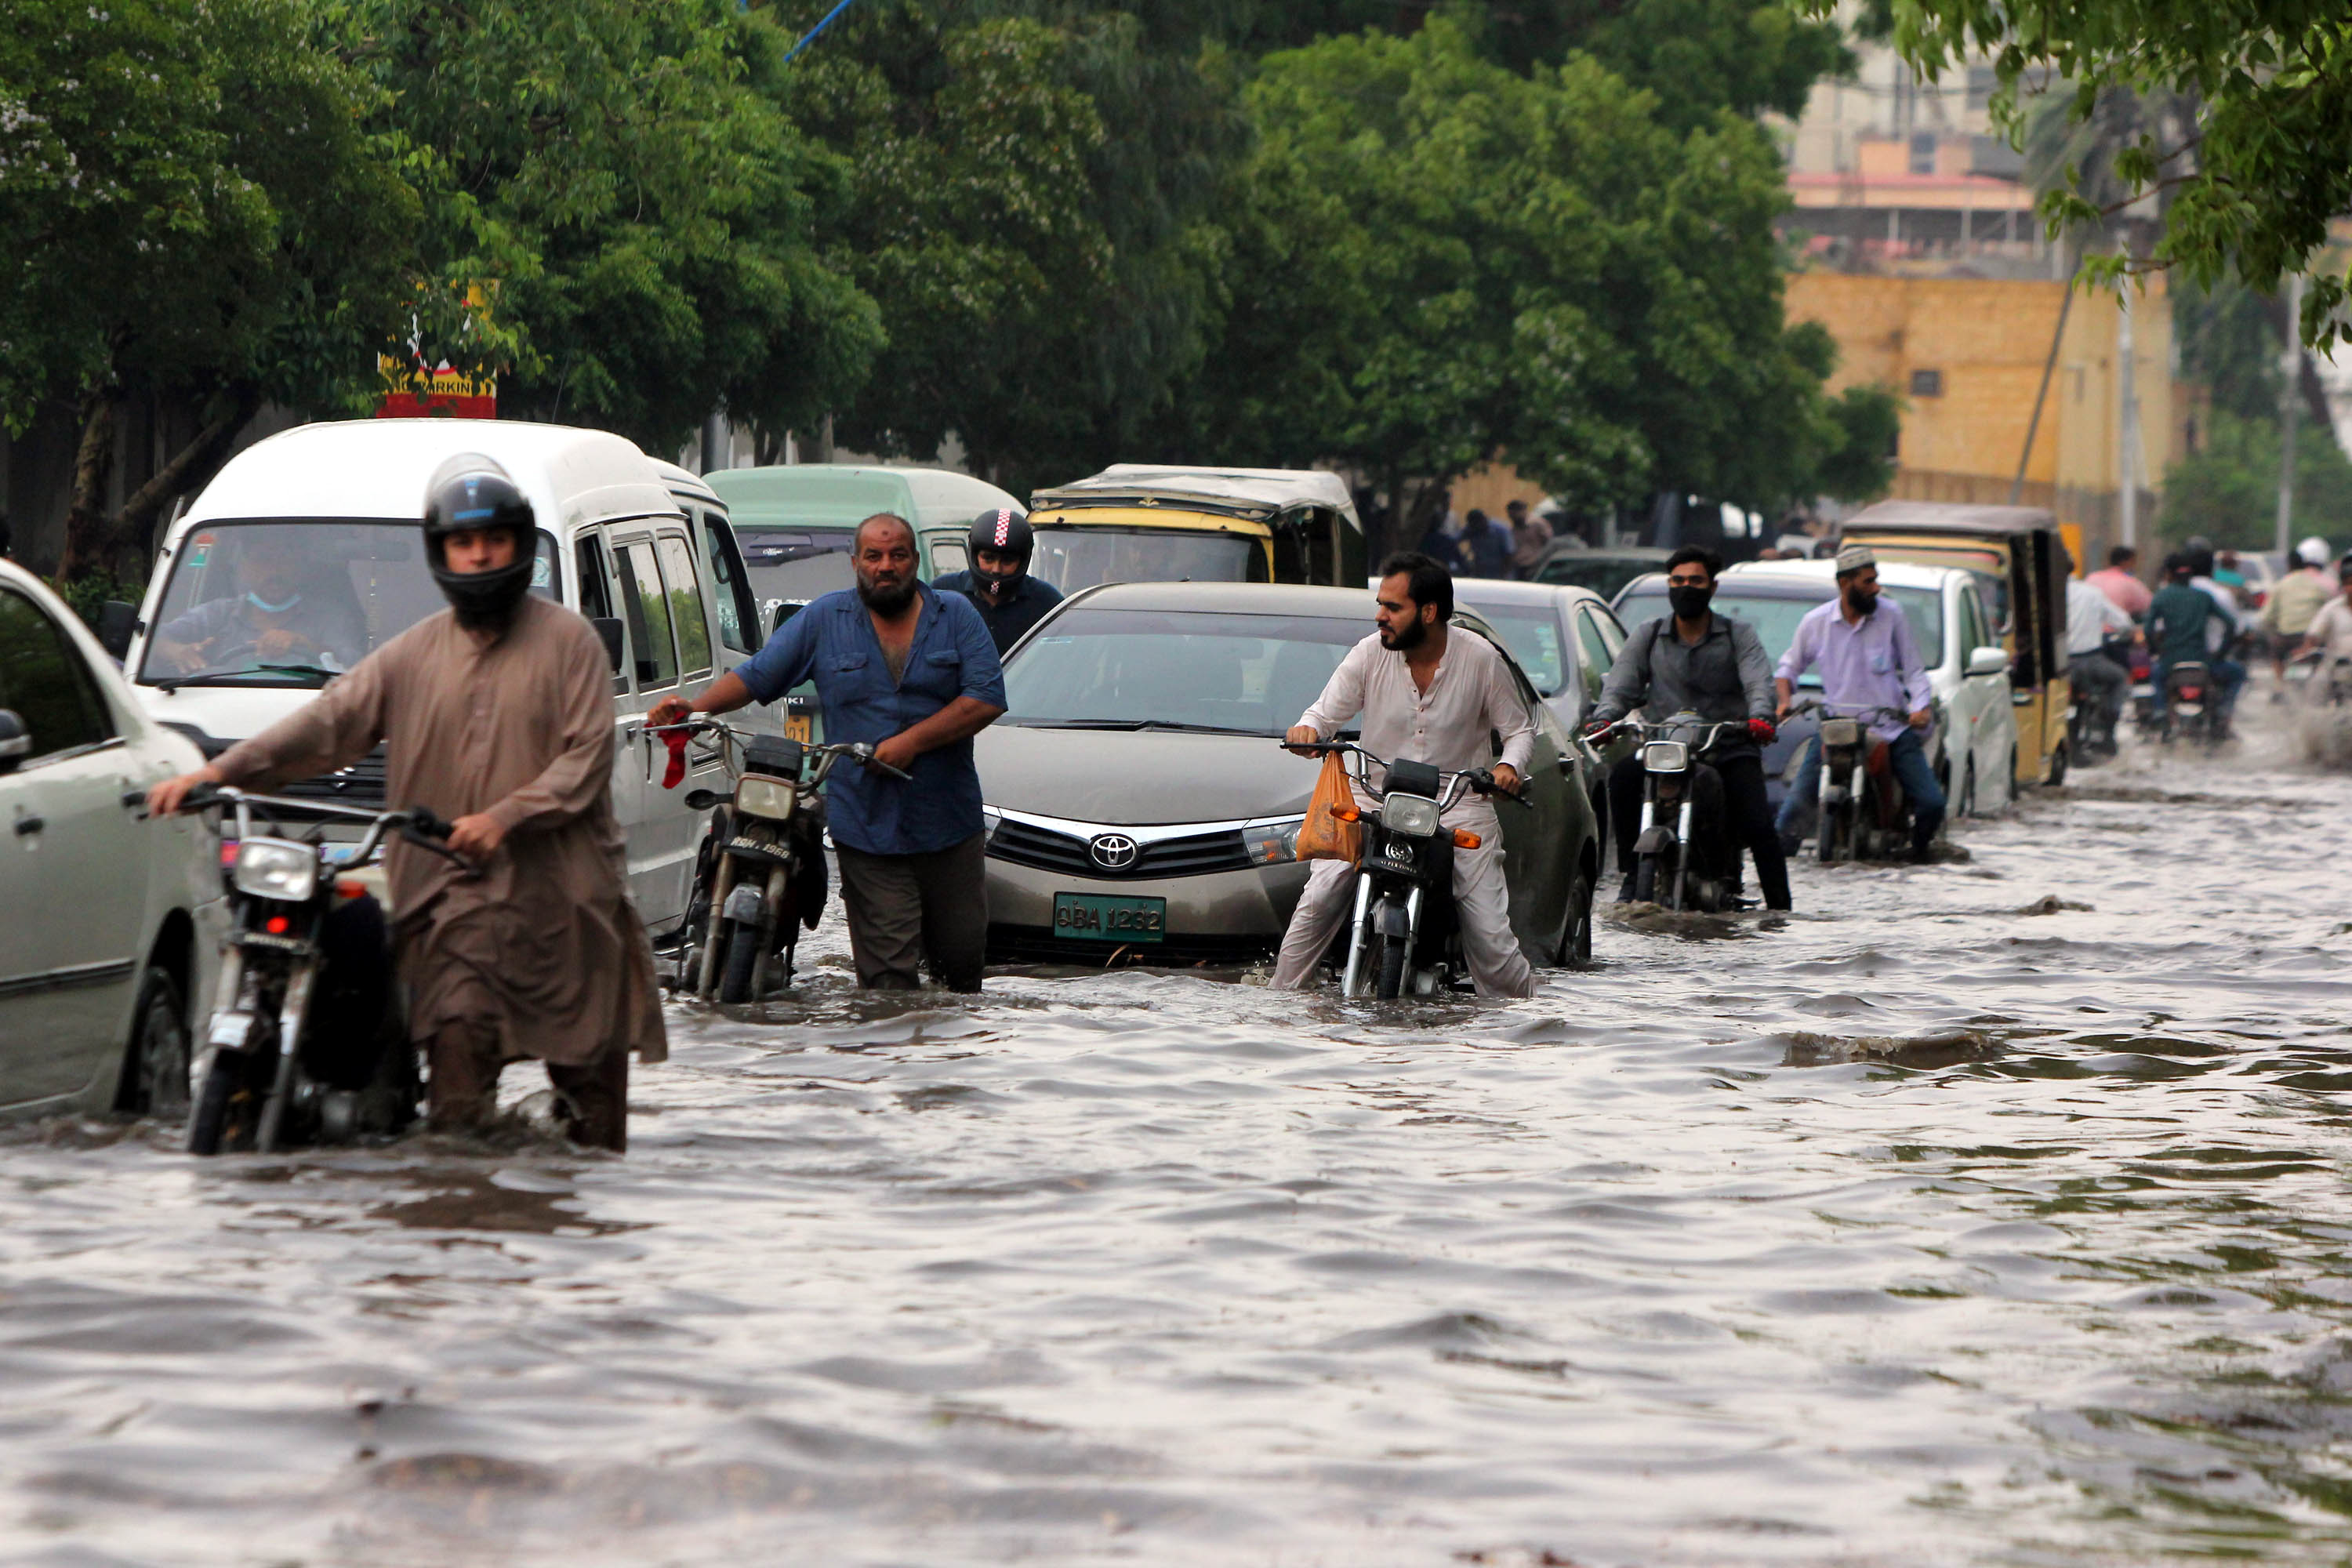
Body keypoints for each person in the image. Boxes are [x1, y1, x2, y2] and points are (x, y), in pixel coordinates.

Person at [147, 455, 663, 1150]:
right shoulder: (410, 656)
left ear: (516, 544)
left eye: (494, 541)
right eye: (462, 542)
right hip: (451, 911)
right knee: (455, 1126)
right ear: (441, 553)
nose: (479, 556)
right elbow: (326, 727)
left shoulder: (571, 645)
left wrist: (503, 819)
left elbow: (585, 761)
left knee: (593, 1130)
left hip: (566, 913)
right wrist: (218, 773)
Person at [649, 513, 1007, 993]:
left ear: (914, 561)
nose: (886, 567)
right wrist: (694, 710)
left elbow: (985, 698)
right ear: (856, 562)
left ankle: (945, 1066)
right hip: (866, 827)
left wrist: (910, 743)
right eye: (874, 556)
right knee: (886, 984)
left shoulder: (956, 615)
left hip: (948, 824)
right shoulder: (824, 619)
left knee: (961, 974)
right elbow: (758, 675)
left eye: (898, 555)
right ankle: (889, 1062)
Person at [1271, 552, 1537, 1000]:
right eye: (1381, 605)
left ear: (1429, 612)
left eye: (1393, 608)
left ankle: (1525, 1031)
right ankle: (1279, 1008)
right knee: (1318, 900)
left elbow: (1519, 732)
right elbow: (1322, 715)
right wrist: (1308, 732)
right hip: (1374, 797)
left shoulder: (1481, 658)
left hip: (1459, 804)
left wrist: (1509, 767)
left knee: (1490, 936)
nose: (1380, 617)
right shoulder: (1368, 653)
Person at [1583, 546, 1788, 909]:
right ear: (1669, 585)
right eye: (1678, 581)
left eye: (1695, 580)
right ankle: (1633, 874)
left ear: (1712, 587)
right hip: (1665, 745)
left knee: (1759, 825)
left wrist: (1760, 718)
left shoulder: (1738, 635)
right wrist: (1604, 718)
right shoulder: (1649, 634)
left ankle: (1779, 909)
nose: (1686, 587)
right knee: (1624, 777)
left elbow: (1759, 683)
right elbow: (1620, 685)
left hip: (1726, 743)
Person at [1772, 544, 1945, 862]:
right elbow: (1787, 670)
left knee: (1933, 803)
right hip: (1836, 730)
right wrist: (1784, 702)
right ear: (1844, 584)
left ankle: (1917, 854)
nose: (1875, 587)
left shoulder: (1891, 616)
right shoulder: (1816, 622)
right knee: (1791, 816)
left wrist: (1920, 707)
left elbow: (1914, 671)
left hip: (1891, 730)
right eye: (1867, 582)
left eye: (1875, 580)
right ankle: (1778, 887)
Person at [149, 526, 369, 676]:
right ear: (243, 569)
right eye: (262, 560)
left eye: (285, 560)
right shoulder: (217, 614)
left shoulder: (331, 617)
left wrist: (306, 645)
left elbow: (354, 666)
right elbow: (152, 640)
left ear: (301, 568)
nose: (274, 570)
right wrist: (177, 652)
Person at [931, 506, 1063, 655]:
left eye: (1007, 561)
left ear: (1023, 561)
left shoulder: (1047, 603)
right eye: (988, 558)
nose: (996, 569)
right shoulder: (942, 593)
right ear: (975, 555)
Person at [2147, 551, 2246, 731]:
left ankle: (2160, 712)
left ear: (2169, 574)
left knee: (2155, 676)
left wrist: (2156, 652)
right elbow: (2231, 624)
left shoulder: (2161, 596)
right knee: (2238, 673)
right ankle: (2224, 712)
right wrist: (2221, 653)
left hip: (2171, 663)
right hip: (2203, 662)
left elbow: (2149, 629)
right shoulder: (2203, 597)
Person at [2063, 552, 2135, 752]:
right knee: (2120, 678)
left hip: (2060, 667)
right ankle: (2108, 732)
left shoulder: (2047, 594)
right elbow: (2123, 622)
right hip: (2091, 662)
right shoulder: (2091, 593)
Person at [2264, 536, 2336, 683]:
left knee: (2276, 653)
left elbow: (2267, 617)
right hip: (2311, 639)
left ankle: (2279, 685)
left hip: (2286, 639)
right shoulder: (2320, 585)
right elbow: (2330, 611)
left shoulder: (2281, 585)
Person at [2290, 557, 2352, 666]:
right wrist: (2306, 650)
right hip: (2336, 665)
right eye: (2348, 584)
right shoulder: (2332, 608)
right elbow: (2314, 634)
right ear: (2342, 586)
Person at [2088, 544, 2153, 618]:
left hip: (2091, 626)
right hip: (2117, 627)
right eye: (2133, 561)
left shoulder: (2092, 578)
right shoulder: (2130, 582)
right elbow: (2149, 604)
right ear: (2127, 562)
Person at [1506, 499, 1552, 579]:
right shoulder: (1512, 530)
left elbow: (1549, 542)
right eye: (1511, 515)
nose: (1513, 517)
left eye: (1515, 513)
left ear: (1523, 511)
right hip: (1519, 567)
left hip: (1537, 564)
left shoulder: (1538, 524)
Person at [1464, 508, 1513, 579]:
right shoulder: (1471, 529)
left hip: (1499, 571)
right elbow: (1454, 541)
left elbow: (1509, 554)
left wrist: (1504, 574)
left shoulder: (1501, 530)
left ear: (1484, 520)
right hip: (1480, 571)